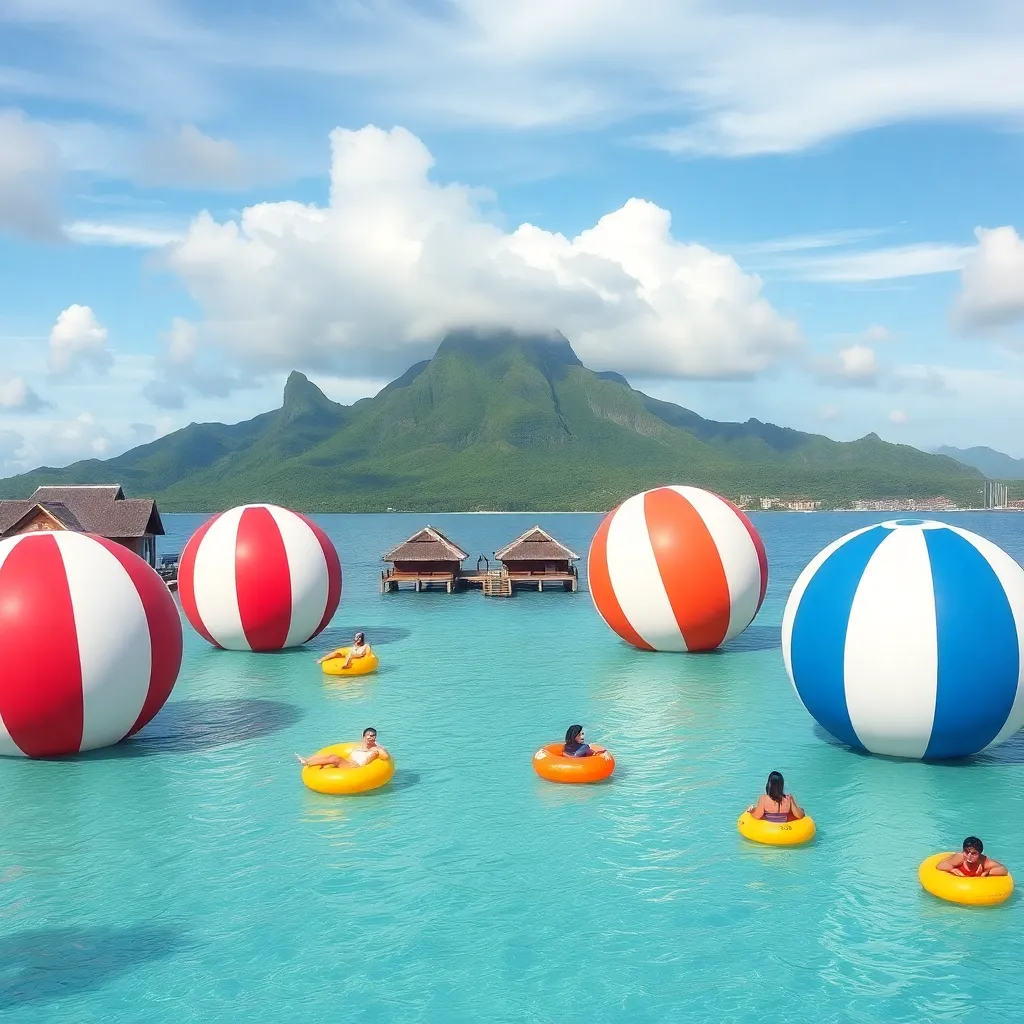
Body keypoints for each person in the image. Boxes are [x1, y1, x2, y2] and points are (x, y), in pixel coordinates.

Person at [295, 728, 389, 769]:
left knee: (335, 758)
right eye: (370, 735)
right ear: (363, 736)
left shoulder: (375, 749)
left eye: (374, 736)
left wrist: (378, 745)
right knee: (330, 755)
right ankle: (306, 759)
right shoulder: (359, 746)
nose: (372, 738)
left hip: (354, 767)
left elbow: (385, 756)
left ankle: (307, 763)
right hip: (348, 762)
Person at [937, 837, 1008, 877]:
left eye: (973, 854)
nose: (969, 857)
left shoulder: (984, 862)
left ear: (980, 854)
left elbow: (1004, 870)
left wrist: (987, 872)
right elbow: (940, 866)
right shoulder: (960, 857)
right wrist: (952, 870)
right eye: (966, 852)